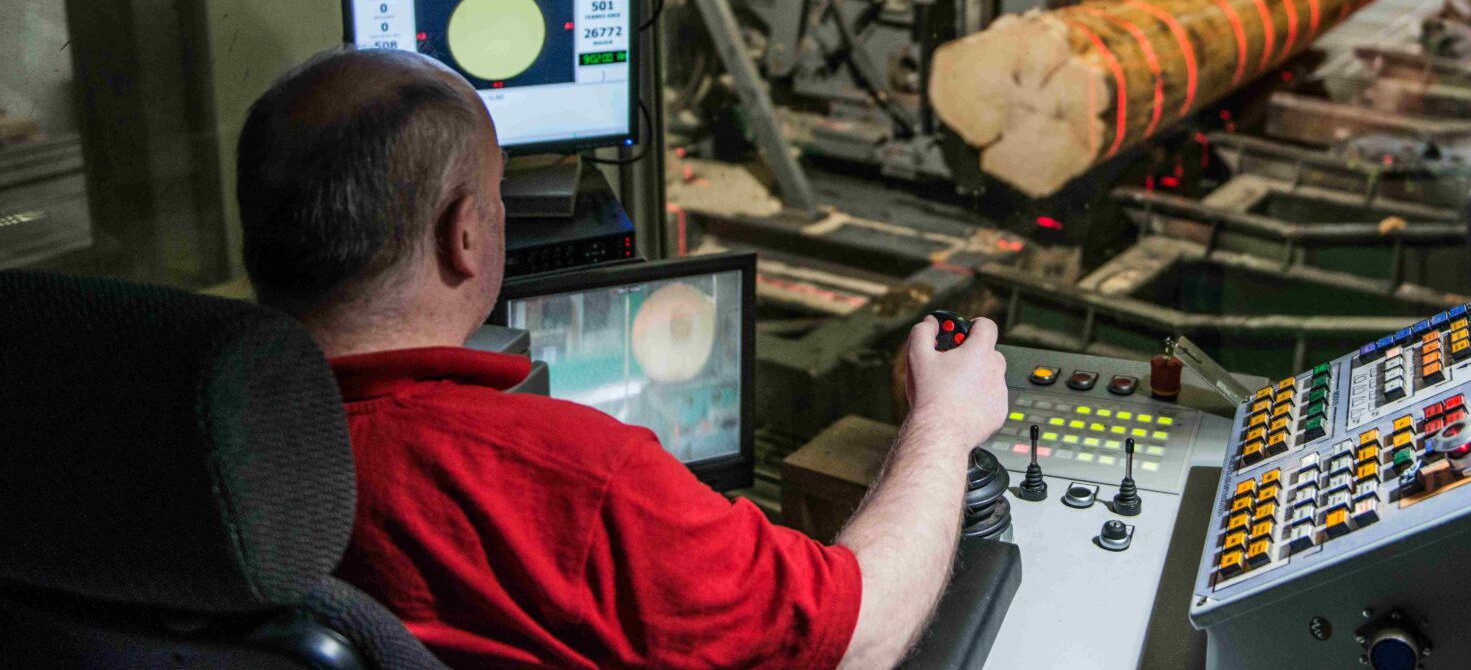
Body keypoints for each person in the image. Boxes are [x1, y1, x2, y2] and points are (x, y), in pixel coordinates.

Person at [236, 49, 1008, 670]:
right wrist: (943, 419)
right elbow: (861, 631)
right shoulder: (571, 477)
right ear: (464, 234)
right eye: (502, 193)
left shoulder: (187, 448)